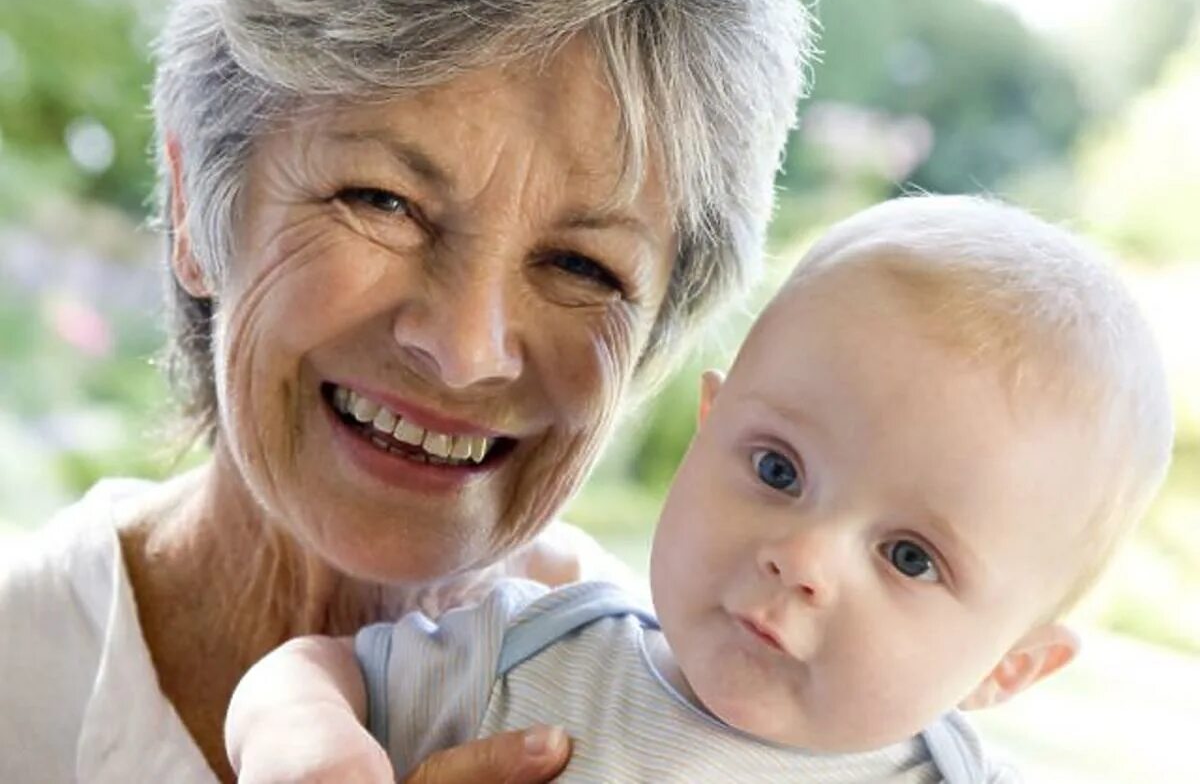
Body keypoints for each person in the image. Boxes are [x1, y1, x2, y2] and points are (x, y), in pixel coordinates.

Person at [0, 0, 815, 781]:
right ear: (199, 212)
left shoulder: (721, 750)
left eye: (583, 267)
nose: (466, 349)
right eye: (382, 201)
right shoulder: (20, 664)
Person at [226, 195, 1174, 783]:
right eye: (777, 470)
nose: (800, 557)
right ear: (706, 430)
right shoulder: (537, 654)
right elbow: (318, 670)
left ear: (1007, 668)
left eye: (910, 557)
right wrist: (304, 739)